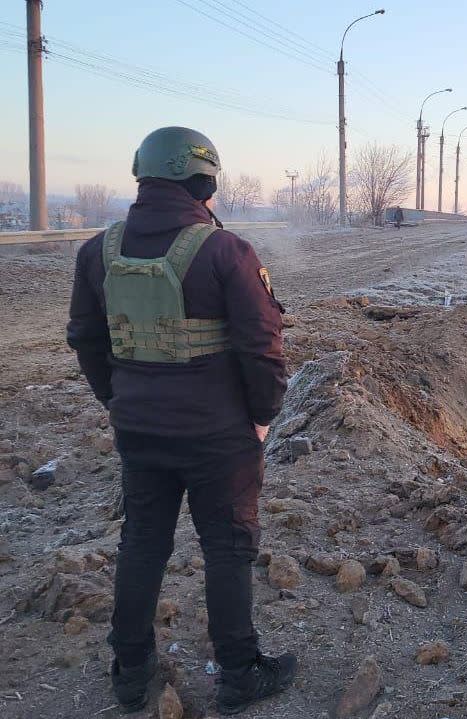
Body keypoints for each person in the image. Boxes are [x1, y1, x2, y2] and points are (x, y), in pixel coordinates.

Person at [67, 127, 297, 715]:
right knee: (227, 548)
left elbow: (86, 339)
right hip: (219, 436)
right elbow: (262, 347)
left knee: (141, 542)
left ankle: (131, 671)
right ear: (202, 182)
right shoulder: (227, 252)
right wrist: (263, 417)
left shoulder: (97, 252)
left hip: (139, 431)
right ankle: (240, 673)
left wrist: (119, 402)